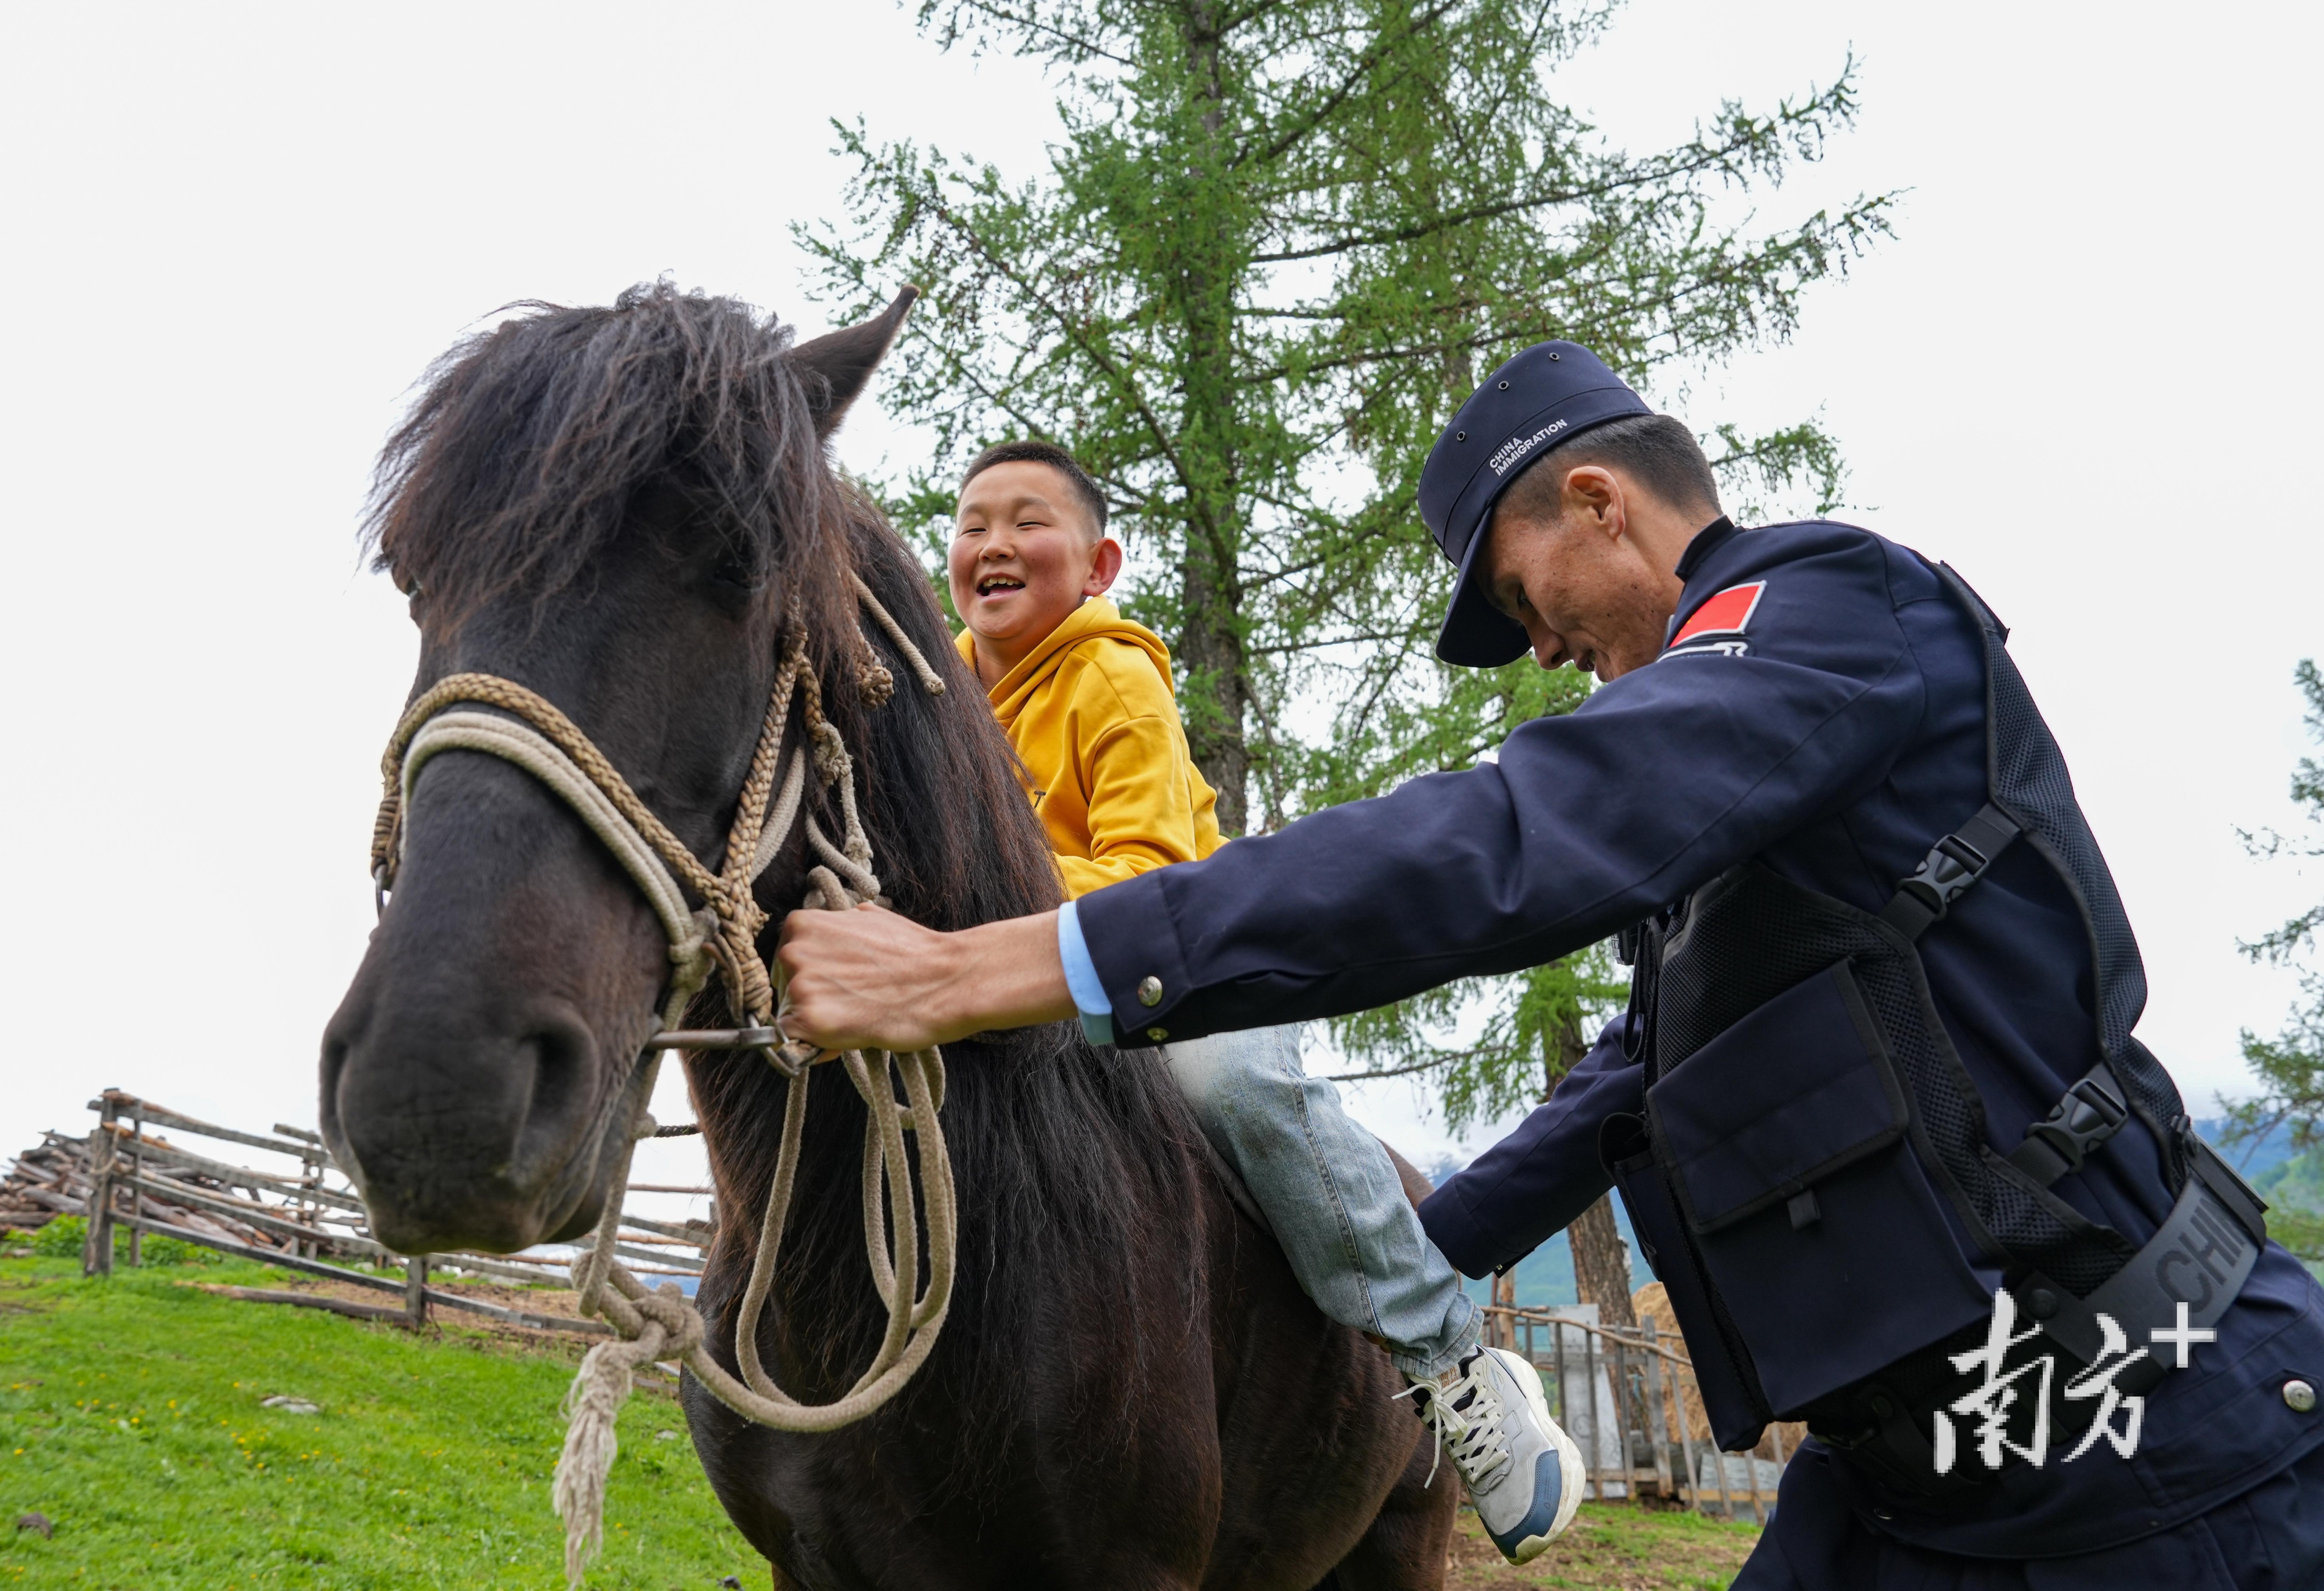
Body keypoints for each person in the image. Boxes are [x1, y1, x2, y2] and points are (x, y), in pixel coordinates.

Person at [779, 344, 2324, 1587]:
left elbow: (1528, 831)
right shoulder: (1752, 783)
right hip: (1915, 1488)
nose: (1538, 647)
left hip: (2169, 1449)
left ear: (1600, 502)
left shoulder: (1839, 615)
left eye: (1521, 598)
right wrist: (1401, 1262)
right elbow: (1636, 1081)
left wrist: (1014, 961)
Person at [942, 439, 1585, 1564]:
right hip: (1009, 985)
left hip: (1182, 965)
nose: (993, 542)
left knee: (1238, 1086)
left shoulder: (1113, 674)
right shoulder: (941, 703)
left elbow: (1144, 873)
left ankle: (1447, 1357)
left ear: (1096, 564)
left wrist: (974, 915)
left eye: (1026, 521)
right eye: (971, 524)